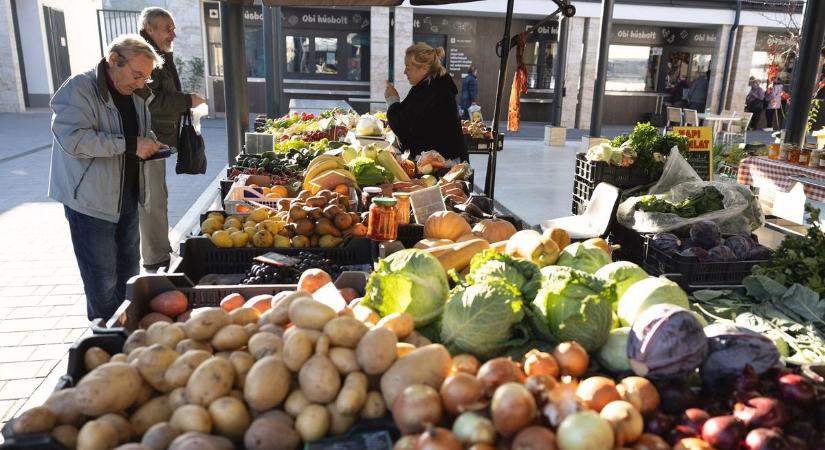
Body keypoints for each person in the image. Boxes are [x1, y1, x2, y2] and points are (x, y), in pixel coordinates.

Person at [48, 34, 165, 320]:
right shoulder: (79, 88)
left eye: (145, 78)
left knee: (129, 272)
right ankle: (105, 339)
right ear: (113, 60)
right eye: (137, 75)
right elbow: (73, 139)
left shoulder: (135, 94)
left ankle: (128, 330)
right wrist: (129, 144)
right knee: (102, 280)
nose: (140, 83)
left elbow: (135, 134)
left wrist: (150, 144)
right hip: (91, 201)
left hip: (127, 195)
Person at [137, 7, 206, 271]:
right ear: (148, 28)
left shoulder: (158, 53)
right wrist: (187, 100)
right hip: (148, 138)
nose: (173, 34)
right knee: (152, 198)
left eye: (174, 28)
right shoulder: (145, 56)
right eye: (167, 28)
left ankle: (159, 250)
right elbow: (151, 101)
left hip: (156, 139)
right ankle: (156, 258)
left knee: (157, 196)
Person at [385, 43, 466, 162]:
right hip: (441, 160)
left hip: (443, 165)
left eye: (408, 68)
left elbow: (402, 125)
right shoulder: (433, 85)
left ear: (424, 69)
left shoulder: (431, 90)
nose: (404, 72)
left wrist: (392, 100)